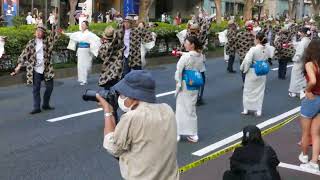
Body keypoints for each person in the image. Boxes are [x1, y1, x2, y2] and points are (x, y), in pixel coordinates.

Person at [98, 70, 179, 180]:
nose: (120, 98)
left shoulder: (132, 117)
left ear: (134, 98)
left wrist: (108, 111)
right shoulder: (167, 109)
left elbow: (113, 147)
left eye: (122, 94)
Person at [10, 26, 61, 114]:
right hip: (35, 69)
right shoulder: (31, 43)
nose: (38, 32)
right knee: (36, 89)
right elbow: (24, 55)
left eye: (40, 31)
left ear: (43, 34)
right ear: (35, 33)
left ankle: (45, 104)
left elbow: (54, 36)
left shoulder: (47, 42)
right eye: (37, 31)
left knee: (49, 88)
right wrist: (18, 67)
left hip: (47, 68)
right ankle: (36, 107)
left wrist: (54, 24)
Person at [175, 36, 205, 143]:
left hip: (185, 83)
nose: (185, 44)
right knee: (191, 109)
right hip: (195, 83)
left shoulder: (186, 57)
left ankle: (178, 133)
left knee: (180, 108)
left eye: (186, 43)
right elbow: (200, 67)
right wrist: (182, 53)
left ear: (192, 44)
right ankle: (193, 133)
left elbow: (179, 70)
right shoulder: (200, 56)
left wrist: (178, 84)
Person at [298, 39, 320, 172]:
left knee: (306, 133)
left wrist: (307, 90)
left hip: (312, 99)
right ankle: (314, 162)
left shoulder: (310, 64)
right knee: (316, 133)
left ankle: (305, 156)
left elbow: (312, 80)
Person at [240, 32, 274, 117]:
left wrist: (244, 69)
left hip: (252, 70)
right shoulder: (267, 48)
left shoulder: (253, 49)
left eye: (255, 38)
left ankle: (246, 109)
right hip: (262, 70)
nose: (254, 40)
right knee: (260, 91)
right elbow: (272, 53)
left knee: (248, 90)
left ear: (258, 40)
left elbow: (247, 60)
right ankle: (258, 110)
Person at [64, 21, 101, 85]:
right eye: (81, 25)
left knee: (87, 65)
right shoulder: (79, 33)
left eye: (83, 25)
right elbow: (72, 35)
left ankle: (85, 77)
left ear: (87, 26)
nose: (82, 26)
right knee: (80, 65)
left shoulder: (90, 34)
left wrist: (102, 40)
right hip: (80, 50)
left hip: (86, 50)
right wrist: (64, 33)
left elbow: (97, 39)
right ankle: (82, 79)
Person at [289, 27, 311, 98]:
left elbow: (300, 52)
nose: (300, 34)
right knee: (303, 75)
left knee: (296, 75)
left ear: (303, 33)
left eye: (301, 32)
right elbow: (299, 45)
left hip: (300, 61)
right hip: (306, 60)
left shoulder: (303, 42)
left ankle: (294, 91)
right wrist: (293, 44)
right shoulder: (308, 40)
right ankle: (302, 90)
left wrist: (295, 59)